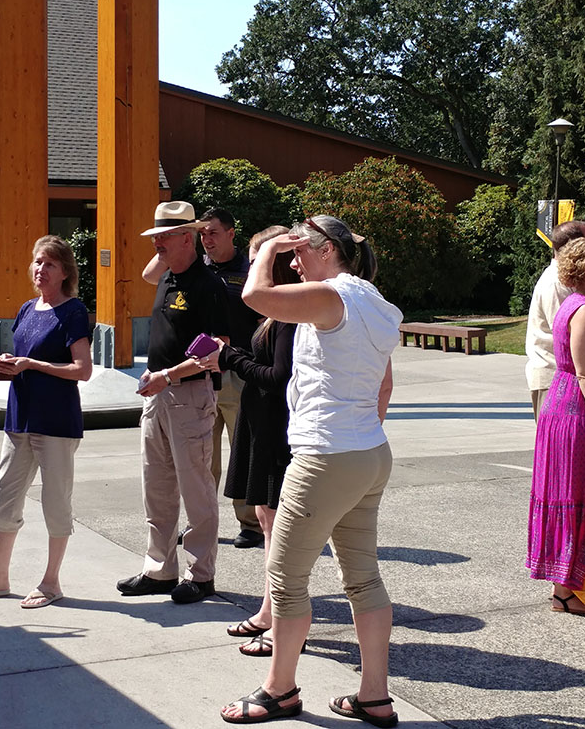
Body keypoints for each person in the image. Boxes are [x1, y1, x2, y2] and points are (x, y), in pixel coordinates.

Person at [220, 215, 402, 726]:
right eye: (289, 253)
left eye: (300, 252)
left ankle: (279, 690)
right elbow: (383, 384)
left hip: (325, 454)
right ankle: (374, 696)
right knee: (363, 578)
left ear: (326, 251)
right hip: (367, 451)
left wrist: (268, 249)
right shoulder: (376, 303)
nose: (292, 261)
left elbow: (254, 296)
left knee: (285, 576)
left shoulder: (331, 296)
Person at [0, 235, 92, 608]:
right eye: (36, 262)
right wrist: (10, 365)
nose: (40, 270)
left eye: (48, 263)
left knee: (55, 501)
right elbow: (25, 357)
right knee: (6, 497)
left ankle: (51, 582)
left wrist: (32, 365)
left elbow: (83, 370)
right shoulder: (27, 309)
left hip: (56, 422)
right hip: (20, 418)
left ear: (65, 271)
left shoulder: (74, 311)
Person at [117, 201, 230, 604]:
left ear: (189, 238)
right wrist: (164, 249)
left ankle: (200, 575)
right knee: (158, 487)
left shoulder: (208, 284)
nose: (157, 245)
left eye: (164, 237)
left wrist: (167, 376)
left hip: (189, 394)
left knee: (196, 488)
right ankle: (159, 569)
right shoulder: (167, 275)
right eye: (155, 238)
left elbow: (216, 348)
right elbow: (151, 270)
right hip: (158, 395)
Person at [194, 226, 299, 656]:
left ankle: (282, 620)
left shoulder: (290, 317)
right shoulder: (273, 317)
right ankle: (268, 610)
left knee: (277, 529)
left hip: (276, 431)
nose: (249, 269)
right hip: (262, 427)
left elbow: (279, 378)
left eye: (257, 261)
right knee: (265, 518)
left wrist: (229, 356)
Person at [144, 207, 264, 548]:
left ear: (231, 233)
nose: (207, 239)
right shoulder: (190, 270)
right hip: (198, 375)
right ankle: (201, 520)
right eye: (203, 233)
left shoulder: (249, 269)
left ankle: (251, 522)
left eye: (213, 232)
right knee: (201, 457)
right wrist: (169, 244)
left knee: (243, 450)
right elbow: (148, 275)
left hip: (238, 369)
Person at [526, 237, 585, 616]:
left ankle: (566, 584)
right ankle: (566, 590)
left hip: (560, 405)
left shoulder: (571, 304)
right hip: (574, 410)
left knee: (566, 494)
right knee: (575, 495)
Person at [525, 221, 585, 419]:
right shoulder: (557, 282)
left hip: (565, 379)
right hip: (553, 379)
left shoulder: (565, 278)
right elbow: (566, 334)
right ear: (574, 245)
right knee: (558, 447)